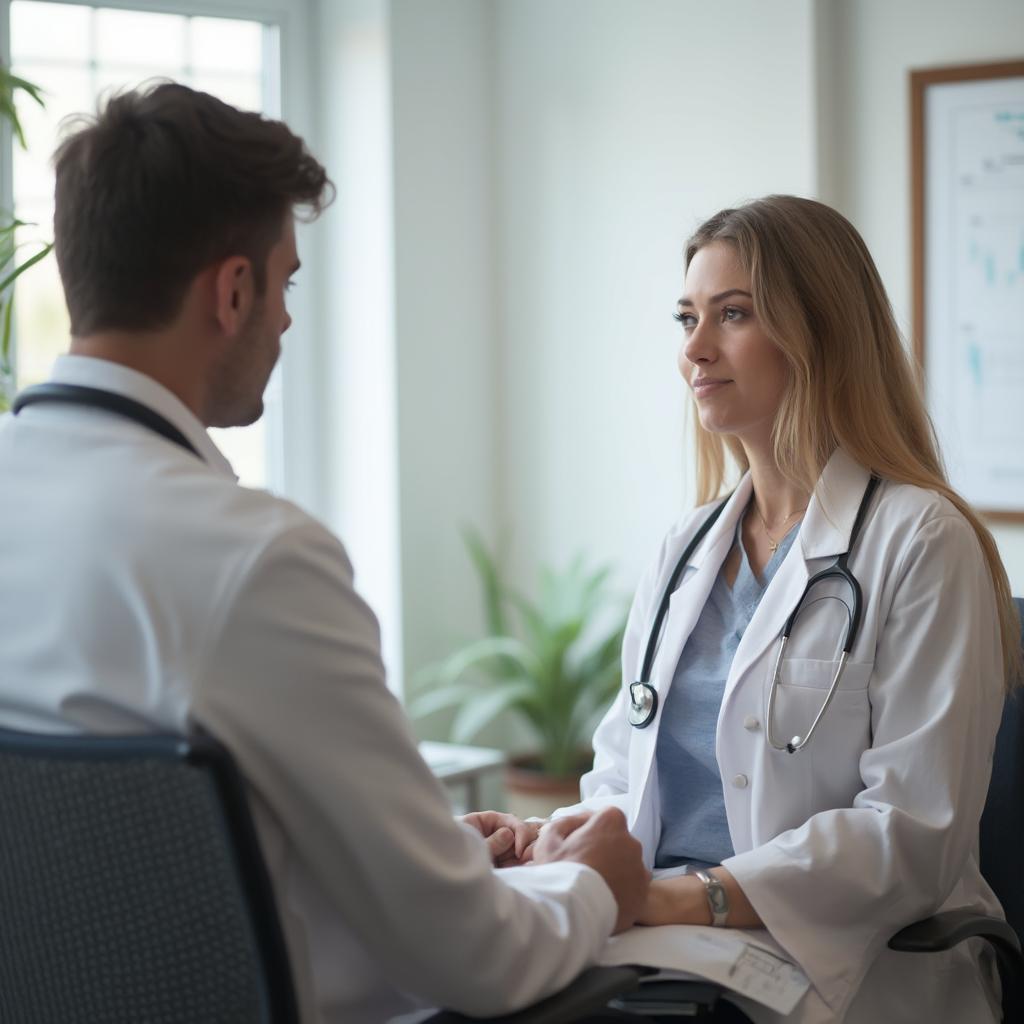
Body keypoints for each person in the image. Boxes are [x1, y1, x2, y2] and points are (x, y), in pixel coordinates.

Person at [0, 82, 649, 1024]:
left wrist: (429, 854)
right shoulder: (252, 559)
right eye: (286, 281)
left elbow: (130, 890)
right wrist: (594, 883)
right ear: (231, 291)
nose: (288, 320)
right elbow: (481, 963)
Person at [521, 196, 1019, 1023]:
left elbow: (912, 832)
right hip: (670, 944)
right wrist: (556, 842)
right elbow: (623, 773)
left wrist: (678, 897)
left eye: (734, 314)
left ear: (819, 331)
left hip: (847, 965)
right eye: (687, 317)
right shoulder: (686, 551)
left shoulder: (922, 540)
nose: (694, 348)